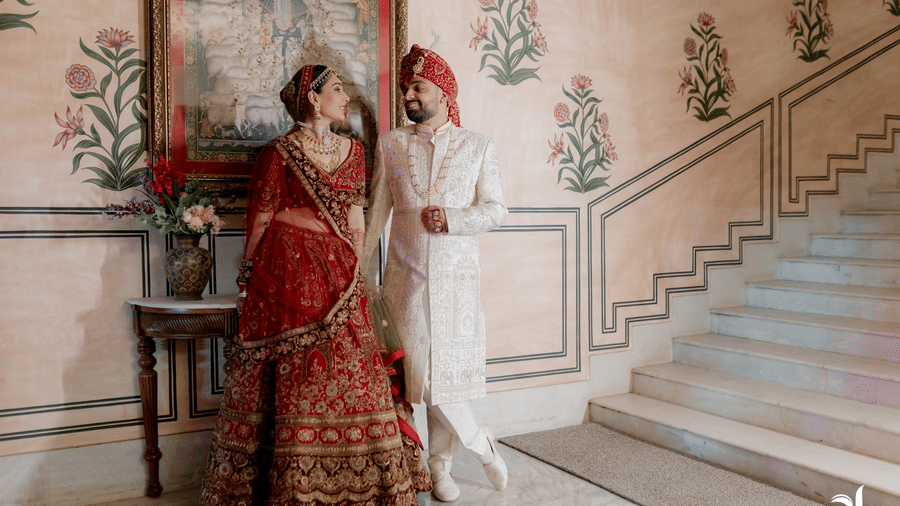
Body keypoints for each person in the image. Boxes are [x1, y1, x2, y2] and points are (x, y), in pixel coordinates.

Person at [199, 64, 431, 506]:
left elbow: (356, 214)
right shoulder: (279, 152)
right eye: (338, 89)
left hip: (339, 273)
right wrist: (251, 273)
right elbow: (263, 214)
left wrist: (355, 269)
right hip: (287, 272)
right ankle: (293, 482)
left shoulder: (354, 150)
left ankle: (360, 481)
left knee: (350, 372)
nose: (346, 98)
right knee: (296, 374)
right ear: (311, 96)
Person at [362, 45, 509, 503]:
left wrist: (454, 219)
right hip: (403, 282)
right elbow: (376, 215)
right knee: (420, 377)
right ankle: (482, 445)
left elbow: (498, 209)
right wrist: (360, 274)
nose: (409, 94)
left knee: (447, 377)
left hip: (457, 285)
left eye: (418, 87)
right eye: (406, 87)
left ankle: (439, 470)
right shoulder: (390, 145)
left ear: (444, 93)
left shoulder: (477, 146)